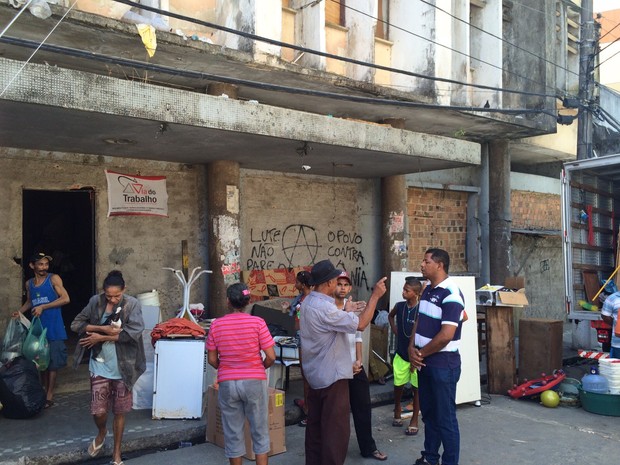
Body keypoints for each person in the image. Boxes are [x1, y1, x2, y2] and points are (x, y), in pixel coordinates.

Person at [300, 259, 386, 465]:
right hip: (332, 377)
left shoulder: (308, 302)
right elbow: (362, 324)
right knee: (335, 432)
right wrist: (375, 295)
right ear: (329, 283)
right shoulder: (324, 308)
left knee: (316, 427)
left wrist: (345, 311)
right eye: (336, 281)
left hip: (315, 374)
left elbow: (331, 326)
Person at [70, 270, 146, 465]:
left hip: (124, 366)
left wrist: (102, 337)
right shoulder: (95, 302)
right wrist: (102, 329)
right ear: (103, 292)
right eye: (108, 295)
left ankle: (116, 454)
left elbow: (133, 334)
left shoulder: (132, 305)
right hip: (99, 364)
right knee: (99, 411)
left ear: (124, 290)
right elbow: (76, 324)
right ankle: (102, 432)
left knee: (120, 412)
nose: (112, 299)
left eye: (116, 296)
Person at [207, 282, 276, 465]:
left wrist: (226, 368)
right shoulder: (258, 323)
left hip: (228, 383)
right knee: (260, 432)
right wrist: (260, 367)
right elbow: (271, 356)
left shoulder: (216, 325)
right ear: (248, 300)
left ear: (228, 301)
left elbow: (212, 360)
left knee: (233, 434)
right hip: (254, 380)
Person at [409, 249, 465, 465]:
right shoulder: (428, 290)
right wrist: (411, 348)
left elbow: (446, 336)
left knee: (446, 420)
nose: (422, 265)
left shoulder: (451, 293)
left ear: (439, 265)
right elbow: (419, 322)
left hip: (443, 365)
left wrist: (420, 354)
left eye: (426, 261)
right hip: (425, 363)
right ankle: (430, 457)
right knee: (430, 415)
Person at [334, 271, 387, 461]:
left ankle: (368, 447)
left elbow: (357, 336)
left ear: (349, 288)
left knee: (363, 408)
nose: (342, 287)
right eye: (338, 283)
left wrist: (359, 361)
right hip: (337, 370)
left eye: (345, 285)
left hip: (355, 368)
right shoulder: (330, 310)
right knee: (337, 413)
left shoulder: (353, 310)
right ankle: (335, 452)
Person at [15, 252, 70, 409]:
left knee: (52, 362)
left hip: (54, 327)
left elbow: (66, 298)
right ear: (32, 266)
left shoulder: (53, 279)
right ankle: (43, 389)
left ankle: (49, 395)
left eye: (46, 264)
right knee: (40, 361)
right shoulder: (29, 284)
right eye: (40, 264)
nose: (44, 267)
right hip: (38, 329)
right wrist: (19, 312)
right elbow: (31, 302)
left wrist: (43, 307)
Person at [388, 276, 421, 436]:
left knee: (417, 389)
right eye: (403, 289)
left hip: (416, 355)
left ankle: (414, 419)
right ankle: (397, 410)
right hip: (401, 353)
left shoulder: (421, 309)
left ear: (415, 293)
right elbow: (390, 316)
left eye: (406, 290)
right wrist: (395, 330)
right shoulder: (400, 306)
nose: (403, 292)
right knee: (398, 384)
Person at [289, 270, 312, 426]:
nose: (295, 284)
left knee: (308, 376)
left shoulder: (309, 300)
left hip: (308, 339)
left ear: (302, 284)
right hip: (301, 337)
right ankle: (307, 405)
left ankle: (309, 412)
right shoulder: (301, 299)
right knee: (306, 375)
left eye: (297, 282)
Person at [601, 291, 620, 358]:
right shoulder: (612, 298)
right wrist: (615, 324)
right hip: (618, 345)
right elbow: (605, 316)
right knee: (617, 367)